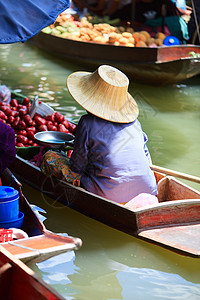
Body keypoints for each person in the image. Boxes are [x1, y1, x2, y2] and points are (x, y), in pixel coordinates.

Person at [41, 65, 157, 204]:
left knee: (50, 157)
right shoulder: (135, 123)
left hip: (108, 194)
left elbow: (77, 166)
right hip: (148, 188)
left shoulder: (87, 122)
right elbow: (147, 158)